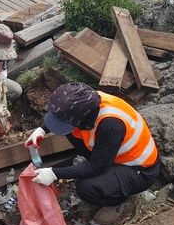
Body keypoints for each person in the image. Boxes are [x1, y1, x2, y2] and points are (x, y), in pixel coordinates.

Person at [25, 83, 160, 207]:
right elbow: (60, 114)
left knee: (86, 188)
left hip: (139, 170)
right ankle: (90, 163)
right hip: (111, 155)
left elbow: (97, 167)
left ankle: (122, 203)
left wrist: (54, 173)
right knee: (71, 131)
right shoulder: (82, 100)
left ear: (85, 116)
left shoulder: (111, 124)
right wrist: (42, 130)